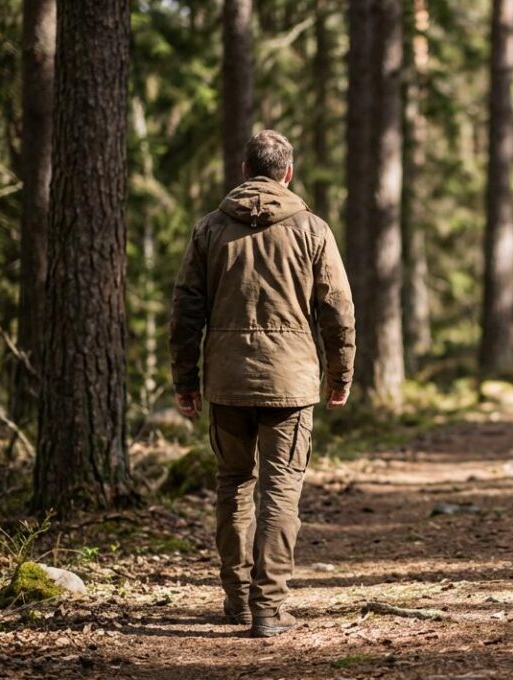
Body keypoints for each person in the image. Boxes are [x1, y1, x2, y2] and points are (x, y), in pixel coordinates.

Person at [169, 130, 355, 638]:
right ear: (287, 173)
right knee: (280, 492)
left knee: (233, 485)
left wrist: (185, 379)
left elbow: (186, 310)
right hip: (291, 383)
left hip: (226, 381)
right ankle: (269, 608)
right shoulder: (313, 230)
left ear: (244, 170)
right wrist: (340, 375)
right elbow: (337, 311)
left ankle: (236, 600)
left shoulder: (209, 229)